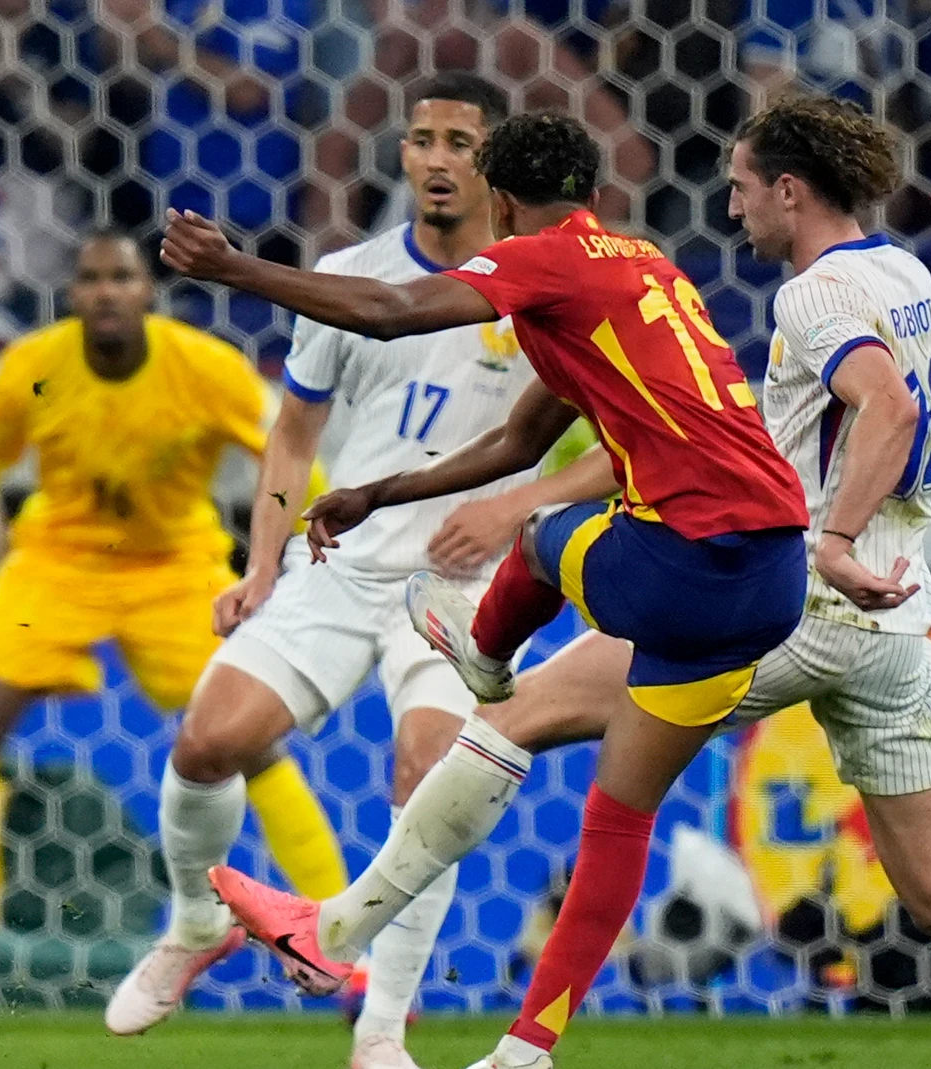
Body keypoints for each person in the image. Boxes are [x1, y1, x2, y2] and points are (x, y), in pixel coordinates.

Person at [205, 96, 931, 1069]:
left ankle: (354, 926)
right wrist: (386, 490)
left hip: (787, 583)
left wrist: (833, 537)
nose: (733, 204)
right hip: (897, 613)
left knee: (512, 717)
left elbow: (885, 407)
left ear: (790, 189)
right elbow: (549, 429)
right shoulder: (902, 275)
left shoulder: (814, 293)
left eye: (744, 185)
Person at [159, 111, 812, 1067]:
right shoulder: (639, 269)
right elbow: (517, 440)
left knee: (542, 538)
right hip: (774, 575)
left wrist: (233, 269)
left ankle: (485, 657)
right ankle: (520, 1049)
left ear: (500, 203)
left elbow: (390, 310)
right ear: (594, 192)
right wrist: (380, 491)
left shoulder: (549, 261)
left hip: (690, 560)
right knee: (617, 818)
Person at [102, 77, 615, 1069]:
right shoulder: (347, 276)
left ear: (495, 163)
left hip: (468, 584)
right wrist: (261, 565)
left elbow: (610, 446)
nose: (435, 159)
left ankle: (379, 1031)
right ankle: (194, 923)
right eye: (420, 139)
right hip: (342, 563)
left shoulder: (543, 286)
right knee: (208, 741)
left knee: (430, 776)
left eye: (459, 141)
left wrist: (513, 507)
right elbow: (292, 436)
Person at [0, 231, 349, 1016]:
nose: (107, 291)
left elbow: (290, 451)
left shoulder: (205, 368)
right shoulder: (33, 366)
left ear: (148, 291)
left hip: (175, 563)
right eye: (91, 278)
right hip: (60, 557)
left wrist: (302, 554)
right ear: (73, 294)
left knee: (246, 738)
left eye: (122, 276)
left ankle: (345, 947)